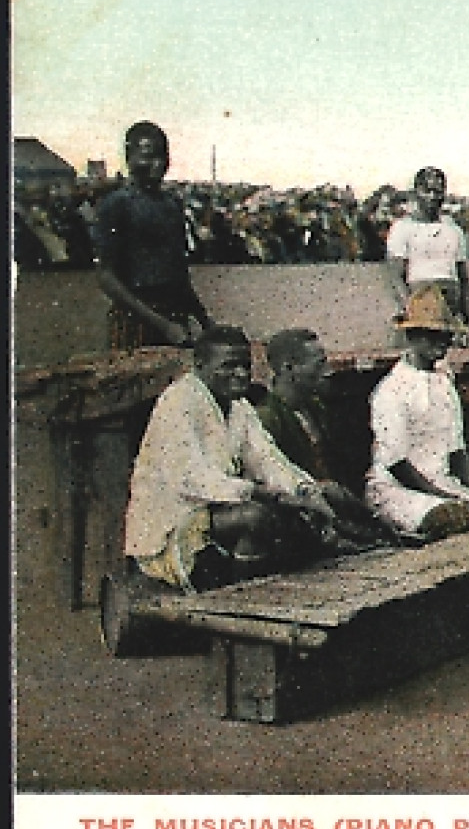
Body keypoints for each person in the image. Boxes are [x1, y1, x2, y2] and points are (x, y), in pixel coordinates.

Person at [123, 326, 338, 593]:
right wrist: (267, 494)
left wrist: (303, 490)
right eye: (228, 366)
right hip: (171, 526)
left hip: (213, 513)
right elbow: (192, 480)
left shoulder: (239, 407)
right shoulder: (178, 402)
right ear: (199, 365)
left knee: (304, 509)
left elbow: (267, 459)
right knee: (255, 517)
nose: (241, 374)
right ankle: (239, 597)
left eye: (245, 366)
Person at [365, 288, 469, 538]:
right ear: (412, 336)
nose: (442, 343)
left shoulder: (443, 383)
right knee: (456, 518)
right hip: (400, 491)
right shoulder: (391, 391)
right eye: (432, 336)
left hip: (440, 484)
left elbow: (457, 452)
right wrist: (448, 497)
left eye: (446, 336)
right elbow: (397, 465)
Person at [252, 328, 397, 548]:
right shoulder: (266, 419)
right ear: (289, 368)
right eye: (318, 363)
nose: (328, 371)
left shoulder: (315, 408)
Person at [93, 121, 214, 350]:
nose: (157, 165)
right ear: (129, 159)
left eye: (162, 157)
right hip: (135, 318)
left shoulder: (171, 204)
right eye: (147, 157)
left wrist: (204, 320)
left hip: (175, 315)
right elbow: (106, 277)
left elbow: (178, 273)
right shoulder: (116, 205)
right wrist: (162, 325)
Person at [384, 166, 469, 329]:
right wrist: (412, 309)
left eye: (438, 191)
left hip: (450, 302)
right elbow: (396, 277)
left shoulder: (453, 229)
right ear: (416, 193)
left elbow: (464, 280)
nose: (433, 197)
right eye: (427, 191)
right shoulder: (402, 228)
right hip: (419, 298)